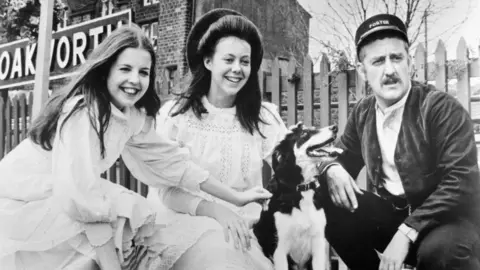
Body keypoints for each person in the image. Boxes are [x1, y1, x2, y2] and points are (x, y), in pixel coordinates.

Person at [0, 24, 271, 269]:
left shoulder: (129, 116)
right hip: (26, 195)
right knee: (115, 221)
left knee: (115, 230)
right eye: (125, 69)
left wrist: (234, 197)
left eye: (143, 72)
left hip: (66, 194)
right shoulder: (84, 111)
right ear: (106, 69)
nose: (135, 80)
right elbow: (79, 195)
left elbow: (172, 163)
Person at [319, 13, 480, 270]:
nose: (390, 70)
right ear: (362, 71)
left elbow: (462, 180)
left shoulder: (440, 108)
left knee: (439, 253)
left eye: (396, 58)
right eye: (378, 61)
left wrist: (408, 231)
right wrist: (332, 168)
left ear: (410, 63)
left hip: (446, 221)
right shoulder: (363, 113)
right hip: (391, 216)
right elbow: (337, 153)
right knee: (322, 195)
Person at [146, 9, 287, 270]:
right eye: (229, 59)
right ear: (209, 61)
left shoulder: (263, 117)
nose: (237, 69)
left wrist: (260, 208)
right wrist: (217, 212)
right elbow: (164, 190)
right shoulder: (177, 116)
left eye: (245, 61)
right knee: (219, 257)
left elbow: (291, 167)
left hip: (240, 225)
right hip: (183, 219)